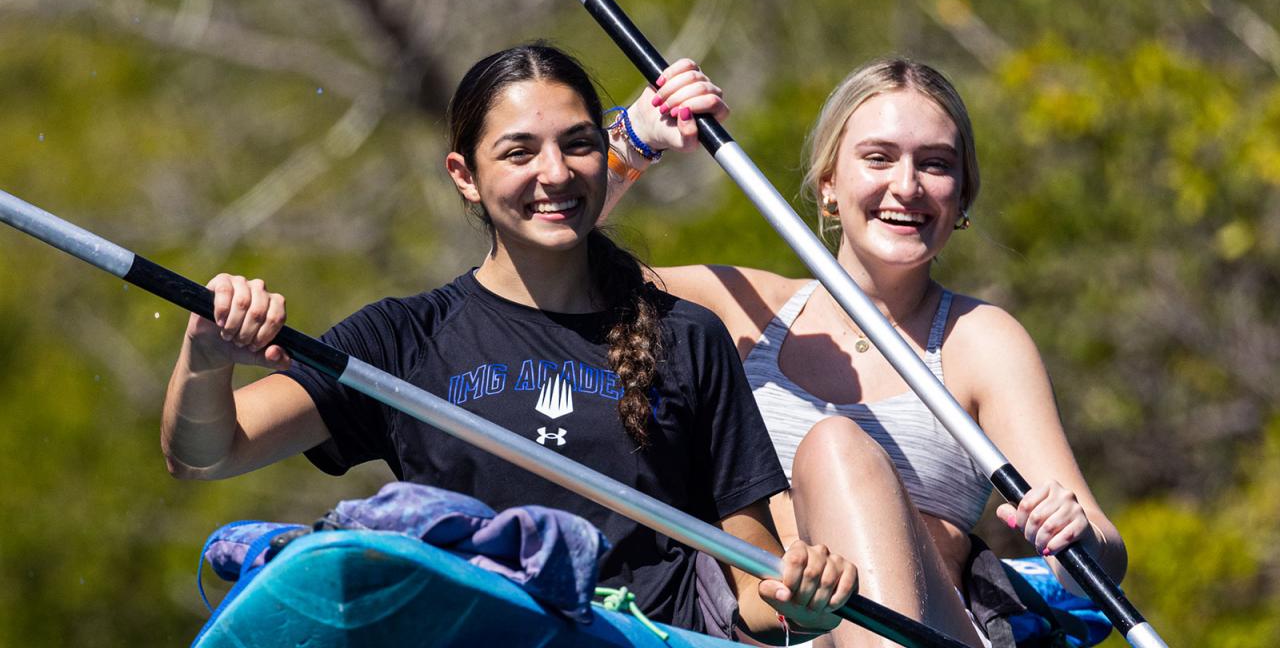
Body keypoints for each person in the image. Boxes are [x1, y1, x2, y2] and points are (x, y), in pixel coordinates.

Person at [160, 43, 857, 644]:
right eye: (519, 152)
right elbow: (206, 453)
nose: (555, 173)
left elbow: (753, 589)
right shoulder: (400, 340)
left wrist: (798, 601)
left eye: (578, 144)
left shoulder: (689, 337)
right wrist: (206, 357)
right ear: (464, 175)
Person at [603, 57, 1128, 647]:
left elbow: (1102, 563)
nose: (907, 186)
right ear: (829, 183)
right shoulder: (739, 308)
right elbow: (552, 255)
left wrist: (1076, 534)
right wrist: (635, 138)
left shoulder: (982, 339)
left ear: (962, 196)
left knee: (836, 447)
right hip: (767, 632)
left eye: (935, 164)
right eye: (878, 158)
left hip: (929, 633)